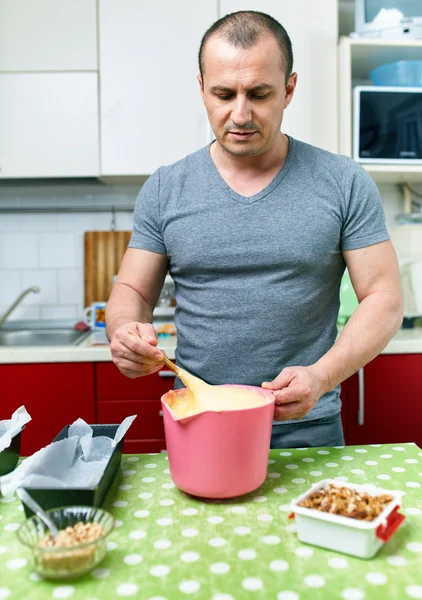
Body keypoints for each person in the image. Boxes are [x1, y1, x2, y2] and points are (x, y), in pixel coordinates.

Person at [105, 10, 403, 449]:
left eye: (259, 94)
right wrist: (125, 332)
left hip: (309, 430)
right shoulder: (166, 187)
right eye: (224, 94)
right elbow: (132, 289)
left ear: (289, 89)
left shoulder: (343, 181)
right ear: (201, 89)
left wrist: (320, 377)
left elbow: (385, 298)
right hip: (200, 424)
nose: (240, 114)